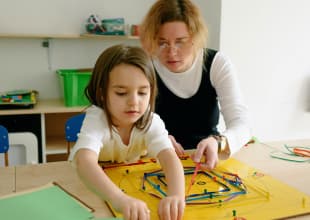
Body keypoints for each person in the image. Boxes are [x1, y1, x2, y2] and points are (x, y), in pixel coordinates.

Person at [69, 44, 185, 220]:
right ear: (101, 93)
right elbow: (84, 161)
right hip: (91, 189)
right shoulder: (97, 118)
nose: (134, 102)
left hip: (128, 181)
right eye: (121, 93)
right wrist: (119, 199)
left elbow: (169, 158)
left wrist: (177, 196)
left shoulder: (151, 121)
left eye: (142, 92)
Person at [139, 0, 252, 170]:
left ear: (195, 37)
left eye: (180, 41)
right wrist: (150, 138)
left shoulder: (217, 64)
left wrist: (218, 143)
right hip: (158, 162)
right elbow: (127, 125)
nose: (171, 52)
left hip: (207, 159)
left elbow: (242, 124)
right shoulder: (144, 67)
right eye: (162, 42)